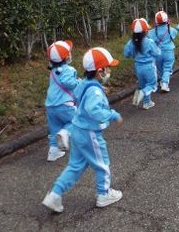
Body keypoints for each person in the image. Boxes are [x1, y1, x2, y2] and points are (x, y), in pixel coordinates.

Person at [42, 47, 123, 213]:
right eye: (108, 69)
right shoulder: (94, 90)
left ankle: (55, 194)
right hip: (90, 134)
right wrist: (112, 114)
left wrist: (99, 89)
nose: (109, 72)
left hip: (78, 131)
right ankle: (104, 194)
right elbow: (94, 110)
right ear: (100, 72)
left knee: (75, 165)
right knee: (102, 164)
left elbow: (83, 93)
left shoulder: (85, 84)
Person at [44, 40, 81, 162]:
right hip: (65, 105)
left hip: (50, 106)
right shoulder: (68, 70)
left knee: (55, 128)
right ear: (67, 56)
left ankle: (54, 152)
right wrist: (79, 82)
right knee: (76, 121)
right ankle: (65, 133)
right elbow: (68, 82)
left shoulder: (53, 72)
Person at [124, 18, 161, 110]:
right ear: (146, 31)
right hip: (149, 67)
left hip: (138, 67)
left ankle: (147, 102)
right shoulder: (149, 42)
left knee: (143, 84)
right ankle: (142, 93)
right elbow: (157, 53)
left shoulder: (131, 42)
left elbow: (126, 54)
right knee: (152, 85)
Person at [148, 11, 178, 93]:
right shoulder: (171, 30)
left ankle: (161, 81)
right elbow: (174, 34)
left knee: (160, 68)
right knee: (167, 68)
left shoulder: (151, 32)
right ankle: (164, 83)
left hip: (157, 53)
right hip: (168, 52)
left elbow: (149, 39)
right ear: (167, 20)